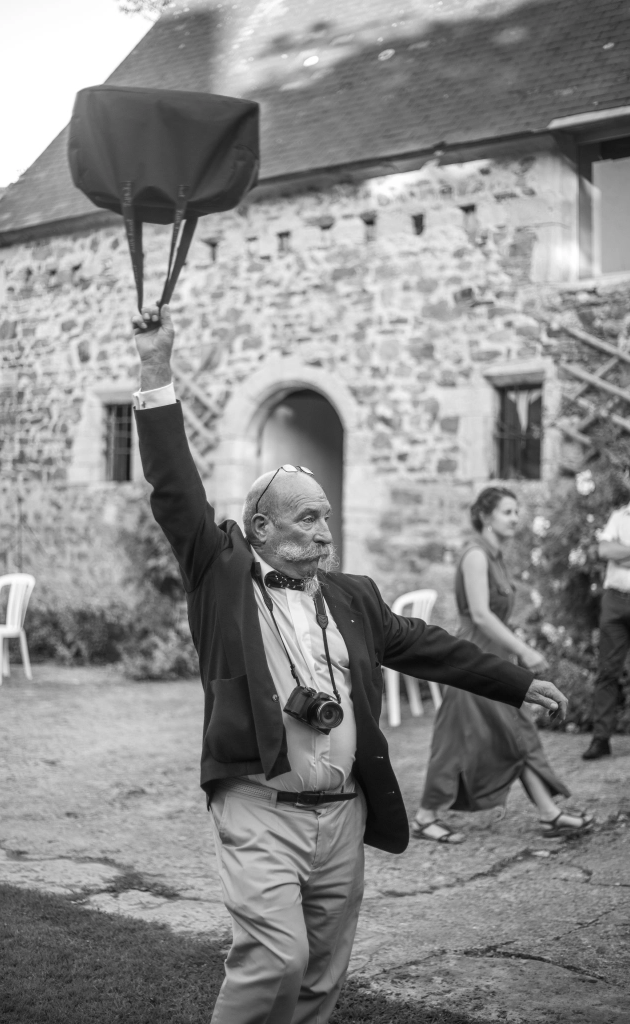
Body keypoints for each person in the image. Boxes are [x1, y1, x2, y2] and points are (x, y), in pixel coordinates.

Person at [131, 307, 569, 1024]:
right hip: (258, 806)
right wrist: (156, 366)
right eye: (306, 519)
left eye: (326, 516)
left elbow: (429, 645)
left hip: (342, 814)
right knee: (274, 959)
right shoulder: (220, 574)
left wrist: (515, 681)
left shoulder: (353, 596)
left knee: (321, 978)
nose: (323, 531)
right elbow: (174, 486)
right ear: (260, 527)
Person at [414, 486, 592, 845]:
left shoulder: (494, 556)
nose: (515, 518)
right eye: (507, 511)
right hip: (472, 660)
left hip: (496, 658)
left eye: (516, 511)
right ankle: (425, 817)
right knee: (455, 741)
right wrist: (524, 651)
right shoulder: (476, 555)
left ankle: (549, 813)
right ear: (485, 516)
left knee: (518, 732)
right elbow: (480, 613)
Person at [583, 498, 630, 760]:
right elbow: (604, 550)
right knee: (607, 672)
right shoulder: (620, 515)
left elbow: (614, 551)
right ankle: (601, 739)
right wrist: (616, 551)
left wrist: (621, 550)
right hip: (614, 601)